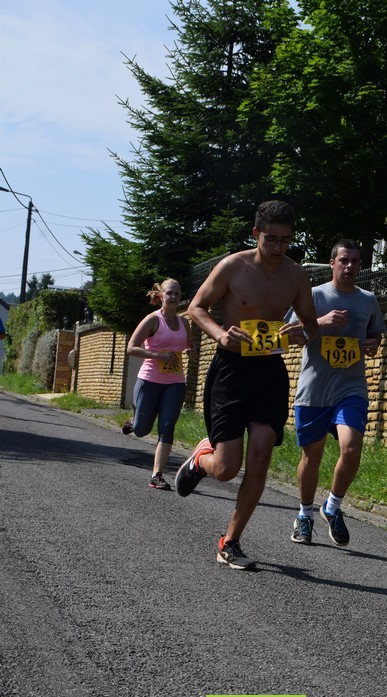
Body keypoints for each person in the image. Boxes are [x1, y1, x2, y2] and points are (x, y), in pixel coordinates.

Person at [174, 200, 319, 570]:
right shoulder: (233, 266)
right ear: (256, 233)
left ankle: (231, 541)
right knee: (226, 469)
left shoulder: (296, 276)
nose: (278, 247)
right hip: (231, 369)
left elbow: (311, 326)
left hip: (269, 371)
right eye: (271, 239)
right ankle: (201, 460)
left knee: (259, 458)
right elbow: (196, 307)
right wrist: (220, 334)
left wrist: (302, 334)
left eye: (285, 240)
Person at [287, 239, 386, 546]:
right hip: (315, 389)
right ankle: (305, 515)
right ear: (332, 263)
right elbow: (288, 335)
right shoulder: (314, 295)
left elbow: (376, 334)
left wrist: (373, 344)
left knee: (352, 448)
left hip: (351, 386)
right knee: (312, 457)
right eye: (344, 260)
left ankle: (332, 507)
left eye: (355, 261)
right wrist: (319, 322)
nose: (350, 266)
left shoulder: (368, 300)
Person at [123, 278, 197, 490]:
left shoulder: (184, 323)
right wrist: (158, 355)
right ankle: (134, 421)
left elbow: (190, 347)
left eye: (177, 293)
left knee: (167, 427)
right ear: (161, 296)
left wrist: (191, 352)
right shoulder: (152, 320)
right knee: (141, 430)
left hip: (175, 382)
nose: (174, 297)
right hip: (149, 380)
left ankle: (157, 475)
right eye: (170, 293)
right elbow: (131, 348)